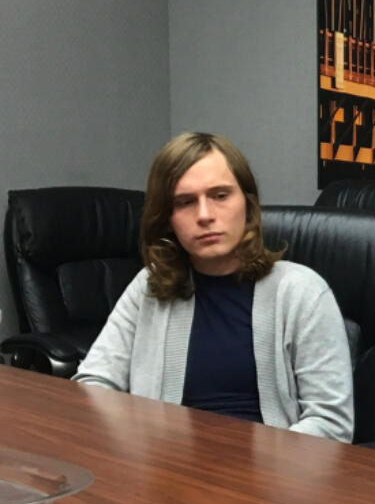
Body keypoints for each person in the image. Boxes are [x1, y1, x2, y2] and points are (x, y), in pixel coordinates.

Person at [75, 132, 354, 443]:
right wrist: (145, 448)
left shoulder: (303, 293)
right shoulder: (150, 286)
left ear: (247, 205)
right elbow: (92, 384)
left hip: (274, 479)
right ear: (167, 218)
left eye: (220, 195)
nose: (205, 215)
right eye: (185, 202)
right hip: (163, 473)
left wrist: (246, 471)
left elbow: (331, 424)